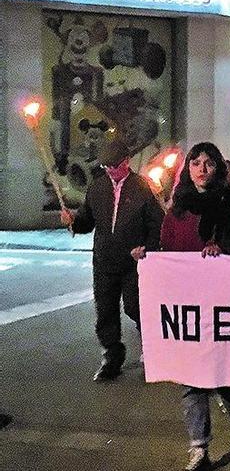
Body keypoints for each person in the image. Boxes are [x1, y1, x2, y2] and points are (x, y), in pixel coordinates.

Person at [159, 142, 230, 471]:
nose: (202, 169)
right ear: (187, 170)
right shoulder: (178, 211)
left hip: (223, 307)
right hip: (189, 309)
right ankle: (199, 449)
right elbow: (167, 254)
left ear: (218, 168)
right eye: (195, 163)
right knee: (192, 379)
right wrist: (146, 258)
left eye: (209, 163)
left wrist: (225, 257)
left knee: (218, 376)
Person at [60, 140, 164, 382]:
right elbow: (87, 221)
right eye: (106, 167)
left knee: (134, 306)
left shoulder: (142, 188)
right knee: (105, 310)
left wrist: (147, 248)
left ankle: (151, 346)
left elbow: (156, 224)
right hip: (105, 260)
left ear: (126, 162)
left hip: (133, 262)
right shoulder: (97, 188)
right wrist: (73, 221)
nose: (110, 171)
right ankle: (111, 355)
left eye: (114, 166)